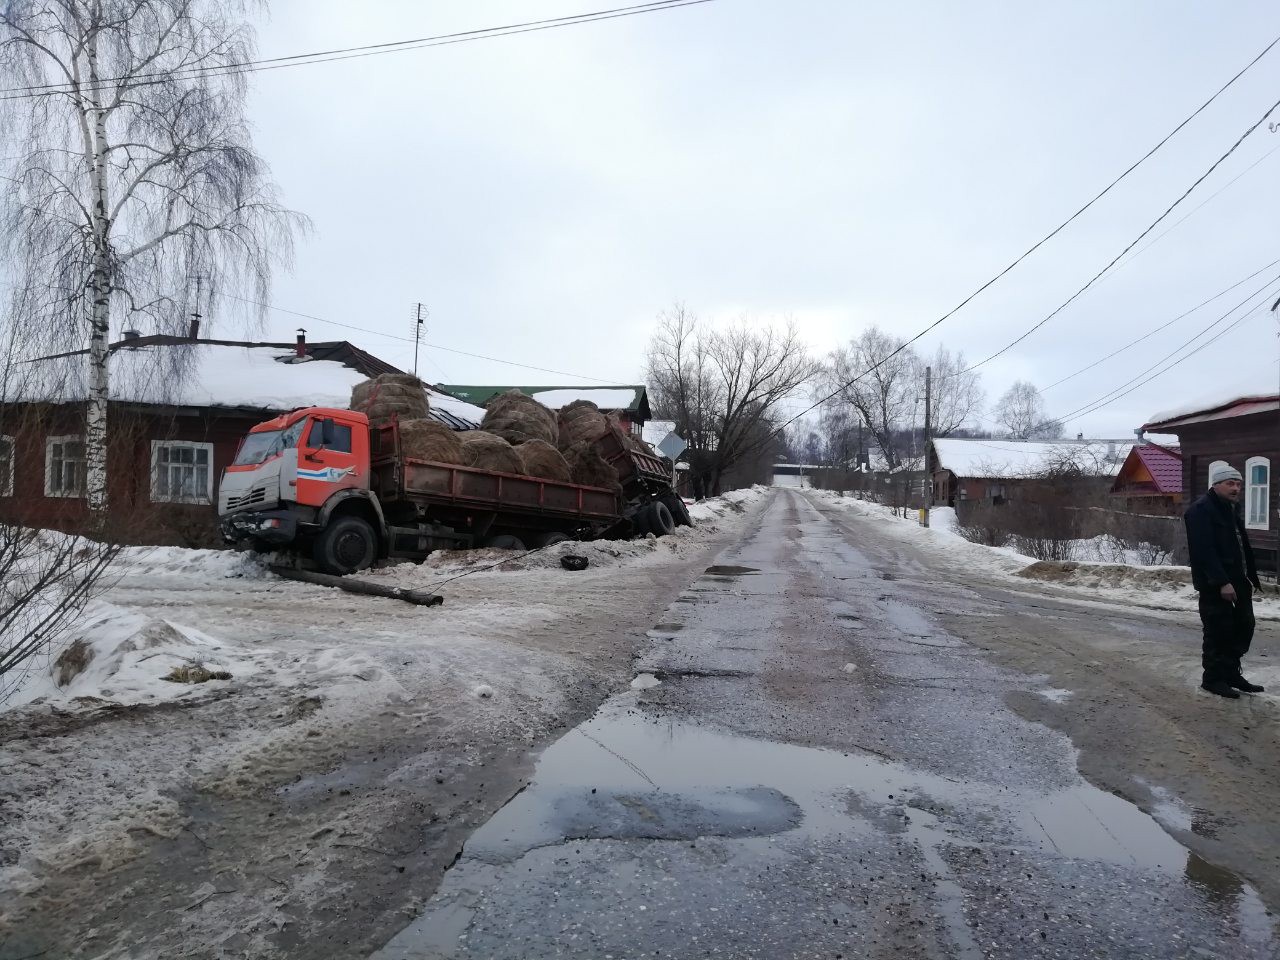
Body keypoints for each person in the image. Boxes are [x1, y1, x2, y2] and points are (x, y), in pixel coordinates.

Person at [1183, 462, 1263, 699]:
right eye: (1230, 483)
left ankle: (1230, 672)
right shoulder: (1200, 511)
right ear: (1216, 485)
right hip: (1215, 583)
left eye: (1238, 484)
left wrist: (1249, 578)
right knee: (1218, 629)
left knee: (1244, 625)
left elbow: (1238, 545)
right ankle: (1213, 678)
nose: (1236, 488)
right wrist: (1220, 582)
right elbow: (1203, 551)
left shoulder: (1230, 508)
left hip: (1239, 579)